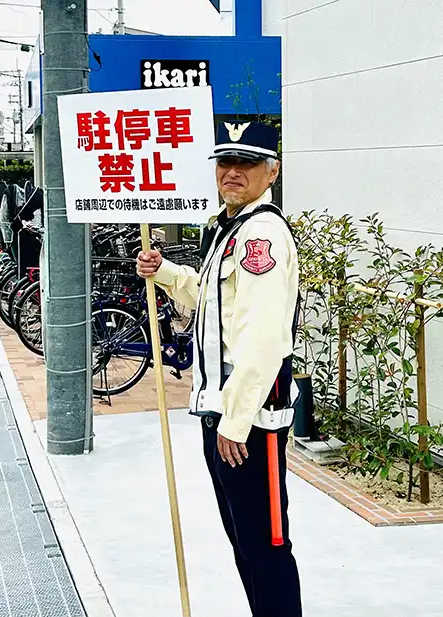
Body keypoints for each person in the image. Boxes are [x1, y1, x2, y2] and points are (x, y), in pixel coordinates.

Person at [136, 121, 302, 617]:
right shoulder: (229, 228)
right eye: (225, 162)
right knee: (244, 539)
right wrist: (164, 272)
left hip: (249, 421)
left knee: (265, 543)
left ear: (270, 173)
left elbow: (264, 339)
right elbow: (213, 302)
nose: (232, 172)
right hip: (224, 413)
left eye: (246, 164)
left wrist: (236, 420)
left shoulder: (262, 237)